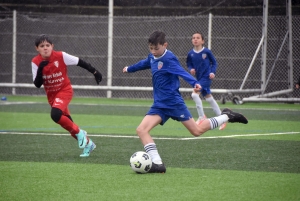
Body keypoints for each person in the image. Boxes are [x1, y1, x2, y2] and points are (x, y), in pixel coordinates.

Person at [123, 30, 248, 173]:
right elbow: (144, 63)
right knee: (141, 130)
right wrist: (129, 68)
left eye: (156, 49)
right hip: (159, 105)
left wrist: (195, 83)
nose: (153, 51)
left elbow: (181, 72)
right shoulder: (152, 57)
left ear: (165, 45)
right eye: (150, 48)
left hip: (174, 103)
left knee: (196, 131)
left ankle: (227, 116)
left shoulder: (169, 59)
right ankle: (158, 164)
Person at [31, 34, 102, 157]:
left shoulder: (61, 56)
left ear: (52, 46)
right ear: (37, 48)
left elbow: (80, 62)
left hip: (65, 90)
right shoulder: (36, 62)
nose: (45, 48)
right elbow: (37, 84)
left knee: (55, 114)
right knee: (69, 124)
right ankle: (89, 144)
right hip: (52, 96)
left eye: (48, 45)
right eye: (42, 46)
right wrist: (40, 71)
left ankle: (80, 133)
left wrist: (95, 72)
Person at [186, 32, 226, 130]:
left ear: (202, 41)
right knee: (209, 98)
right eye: (193, 38)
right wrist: (191, 69)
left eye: (198, 38)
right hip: (199, 78)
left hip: (206, 78)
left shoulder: (207, 52)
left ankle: (201, 116)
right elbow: (189, 64)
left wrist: (213, 72)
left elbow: (214, 63)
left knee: (194, 94)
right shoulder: (190, 54)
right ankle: (222, 118)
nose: (195, 39)